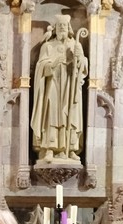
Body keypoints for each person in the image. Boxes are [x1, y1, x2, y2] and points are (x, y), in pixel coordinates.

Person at [30, 15, 88, 162]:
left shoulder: (75, 45)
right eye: (59, 25)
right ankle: (50, 148)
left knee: (71, 114)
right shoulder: (48, 46)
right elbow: (40, 67)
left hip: (70, 86)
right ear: (55, 28)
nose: (62, 28)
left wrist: (80, 59)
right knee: (52, 114)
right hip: (53, 85)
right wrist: (54, 63)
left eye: (64, 25)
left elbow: (83, 68)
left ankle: (71, 148)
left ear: (69, 28)